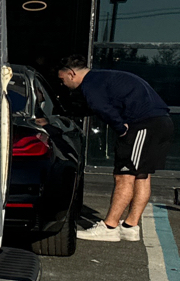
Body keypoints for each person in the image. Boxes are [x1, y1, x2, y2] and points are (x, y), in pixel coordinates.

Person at [55, 55, 174, 242]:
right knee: (142, 175)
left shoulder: (90, 84)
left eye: (62, 80)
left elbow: (103, 109)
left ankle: (110, 227)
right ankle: (130, 227)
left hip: (142, 124)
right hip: (161, 122)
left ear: (71, 74)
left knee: (124, 176)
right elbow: (98, 107)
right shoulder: (104, 77)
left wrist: (121, 129)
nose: (62, 84)